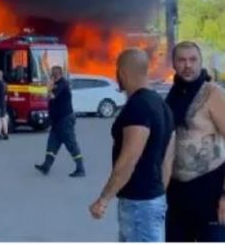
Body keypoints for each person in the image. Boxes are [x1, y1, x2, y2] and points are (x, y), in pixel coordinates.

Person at [89, 49, 175, 242]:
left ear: (123, 73)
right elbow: (169, 157)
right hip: (154, 200)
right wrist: (159, 193)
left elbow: (129, 159)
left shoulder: (138, 106)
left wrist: (103, 199)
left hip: (139, 205)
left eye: (117, 71)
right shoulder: (162, 106)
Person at [165, 41, 225, 241]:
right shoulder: (172, 96)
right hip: (177, 195)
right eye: (181, 60)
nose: (187, 65)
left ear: (201, 62)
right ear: (173, 63)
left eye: (193, 59)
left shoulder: (212, 93)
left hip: (211, 190)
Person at [35, 66, 85, 177]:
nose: (51, 76)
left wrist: (49, 87)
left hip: (65, 120)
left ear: (57, 74)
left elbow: (52, 96)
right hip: (57, 121)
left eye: (53, 74)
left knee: (71, 143)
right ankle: (46, 166)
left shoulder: (63, 84)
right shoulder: (56, 83)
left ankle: (80, 169)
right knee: (52, 143)